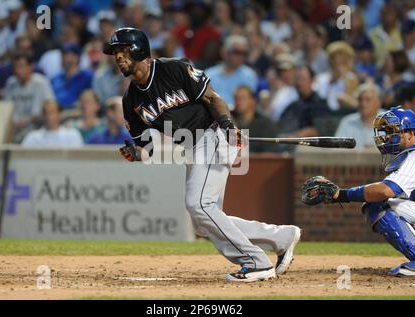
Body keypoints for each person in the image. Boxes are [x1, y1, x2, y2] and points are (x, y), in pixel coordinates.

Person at [103, 27, 301, 282]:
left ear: (139, 49)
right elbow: (146, 146)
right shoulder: (130, 99)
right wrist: (136, 153)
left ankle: (256, 262)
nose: (118, 58)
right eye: (115, 53)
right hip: (192, 147)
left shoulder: (173, 69)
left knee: (198, 205)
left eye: (122, 51)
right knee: (204, 220)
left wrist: (228, 124)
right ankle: (280, 236)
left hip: (213, 133)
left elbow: (212, 98)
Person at [302, 106, 415, 276]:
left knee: (379, 205)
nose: (386, 136)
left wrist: (341, 194)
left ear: (410, 133)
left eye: (392, 131)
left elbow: (385, 191)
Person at [3, 53, 55, 143]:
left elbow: (51, 108)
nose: (18, 71)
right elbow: (5, 110)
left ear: (30, 67)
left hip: (37, 130)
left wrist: (29, 119)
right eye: (16, 67)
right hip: (15, 130)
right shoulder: (11, 83)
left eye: (21, 66)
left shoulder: (41, 82)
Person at [205, 35, 258, 108]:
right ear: (225, 52)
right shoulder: (210, 74)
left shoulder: (249, 75)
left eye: (244, 53)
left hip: (238, 116)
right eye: (237, 52)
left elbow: (248, 104)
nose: (241, 57)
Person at [278, 66, 331, 140]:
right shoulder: (293, 106)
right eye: (297, 79)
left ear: (312, 80)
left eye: (303, 79)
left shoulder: (319, 104)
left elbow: (321, 131)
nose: (299, 83)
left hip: (307, 146)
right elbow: (280, 127)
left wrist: (300, 134)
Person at [335, 82, 385, 149]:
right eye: (360, 100)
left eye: (368, 100)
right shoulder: (347, 122)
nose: (363, 104)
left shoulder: (389, 121)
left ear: (378, 103)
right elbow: (337, 149)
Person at [231, 86, 279, 153]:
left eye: (242, 98)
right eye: (236, 99)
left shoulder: (266, 124)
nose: (238, 102)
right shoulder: (229, 121)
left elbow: (271, 151)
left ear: (252, 100)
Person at [51, 44, 93, 110]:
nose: (64, 58)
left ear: (77, 57)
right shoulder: (55, 79)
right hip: (58, 114)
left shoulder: (88, 77)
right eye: (63, 55)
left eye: (67, 55)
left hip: (78, 113)